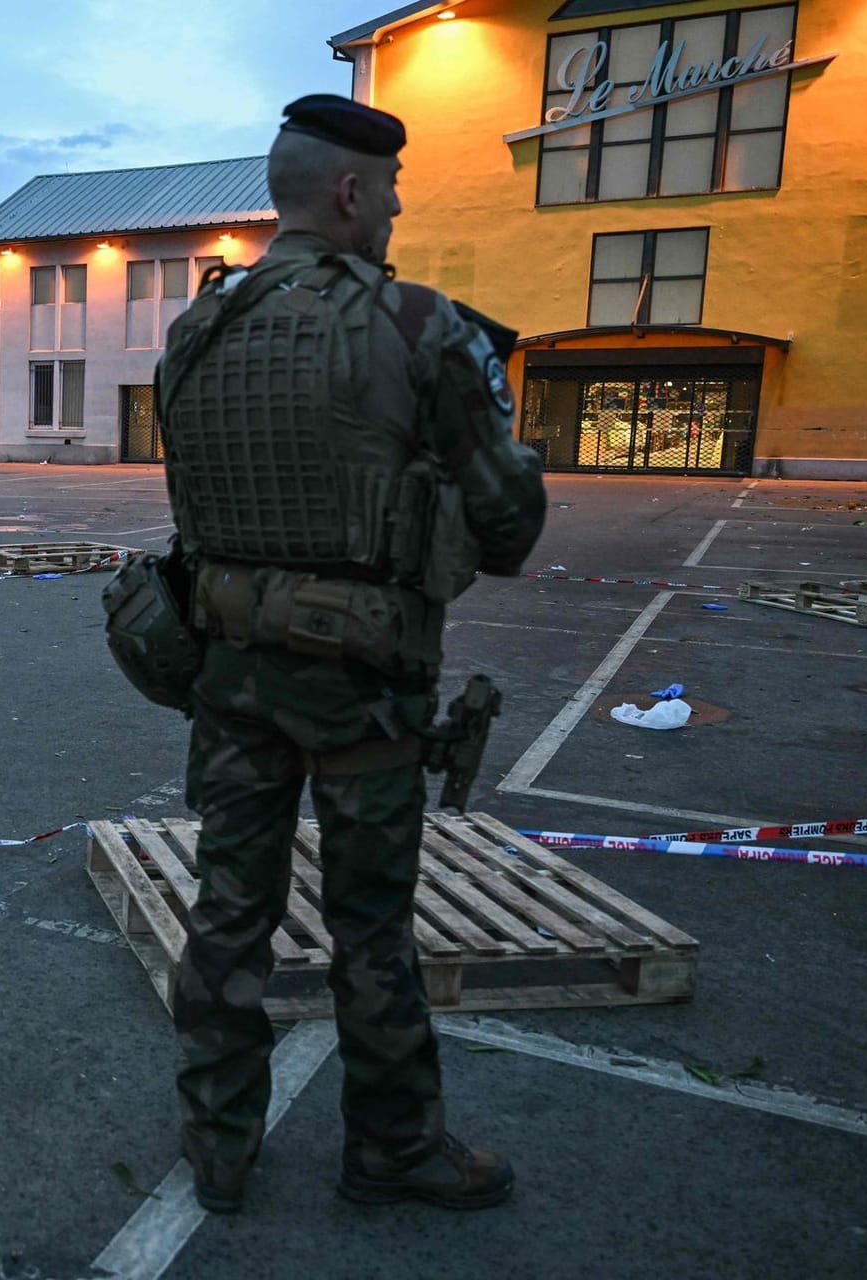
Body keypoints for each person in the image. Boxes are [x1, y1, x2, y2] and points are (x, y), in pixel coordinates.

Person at [155, 95, 548, 1213]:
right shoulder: (420, 324)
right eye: (390, 190)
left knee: (229, 906)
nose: (400, 207)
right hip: (364, 684)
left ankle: (218, 1145)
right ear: (349, 193)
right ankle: (392, 1146)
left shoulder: (199, 329)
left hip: (230, 669)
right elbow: (511, 529)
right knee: (370, 922)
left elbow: (197, 507)